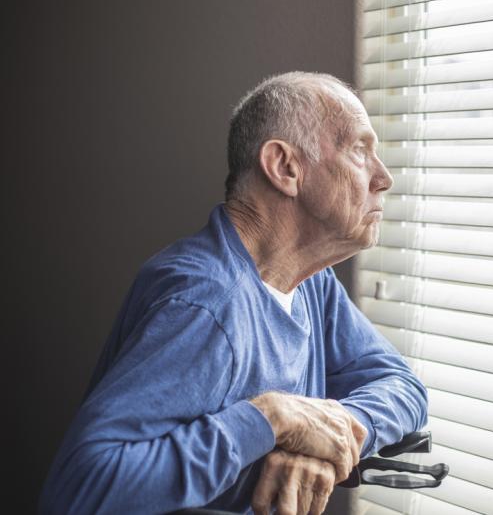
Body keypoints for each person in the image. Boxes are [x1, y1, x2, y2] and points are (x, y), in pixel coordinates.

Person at [39, 72, 428, 515]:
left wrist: (335, 431)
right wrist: (272, 419)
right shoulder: (208, 303)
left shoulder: (308, 282)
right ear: (285, 168)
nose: (384, 178)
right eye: (359, 151)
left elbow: (403, 386)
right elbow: (80, 489)